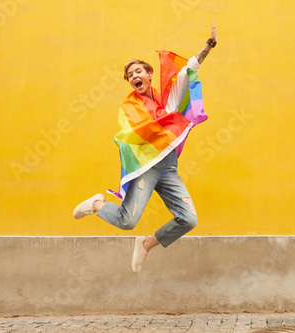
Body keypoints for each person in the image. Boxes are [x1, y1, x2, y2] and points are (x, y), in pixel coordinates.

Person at [73, 21, 217, 273]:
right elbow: (127, 136)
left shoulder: (168, 98)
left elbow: (187, 70)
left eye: (138, 71)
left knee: (189, 219)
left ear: (149, 74)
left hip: (168, 168)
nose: (134, 77)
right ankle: (97, 205)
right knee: (127, 221)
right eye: (130, 75)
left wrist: (209, 46)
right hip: (147, 168)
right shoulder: (131, 107)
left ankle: (147, 244)